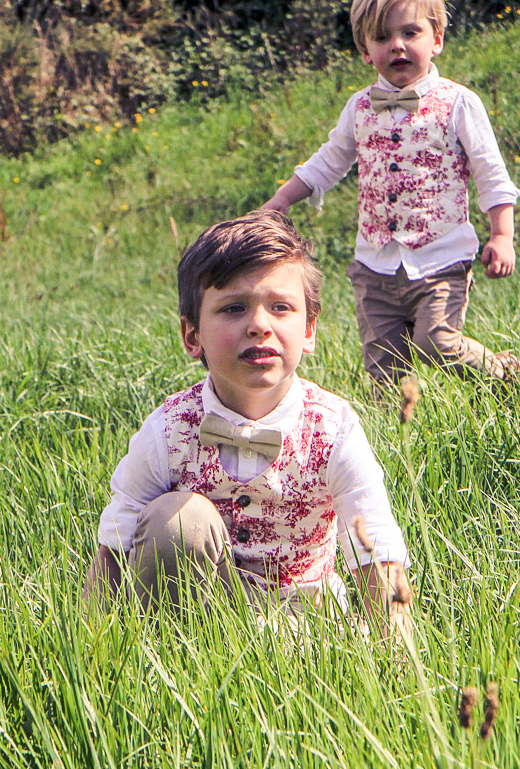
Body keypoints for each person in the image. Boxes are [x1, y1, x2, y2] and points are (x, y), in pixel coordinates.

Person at [85, 211, 410, 621]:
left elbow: (376, 553)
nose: (259, 325)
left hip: (309, 636)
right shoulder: (169, 430)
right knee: (177, 523)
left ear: (309, 329)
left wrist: (399, 668)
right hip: (199, 625)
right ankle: (170, 654)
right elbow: (115, 546)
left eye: (280, 307)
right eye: (234, 308)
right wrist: (93, 655)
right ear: (192, 336)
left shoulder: (332, 428)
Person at [262, 0, 520, 384]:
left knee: (438, 343)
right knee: (383, 363)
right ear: (366, 51)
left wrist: (502, 235)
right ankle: (398, 432)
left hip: (441, 256)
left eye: (410, 33)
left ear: (436, 39)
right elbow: (329, 160)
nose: (397, 46)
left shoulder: (459, 103)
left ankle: (502, 372)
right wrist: (282, 199)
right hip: (375, 265)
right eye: (382, 38)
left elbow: (491, 172)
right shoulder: (360, 107)